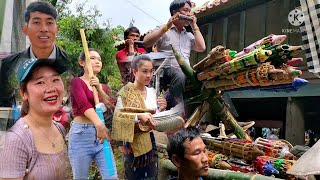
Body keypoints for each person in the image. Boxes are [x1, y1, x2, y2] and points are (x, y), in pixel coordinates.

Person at [0, 1, 69, 128]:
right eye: (36, 23)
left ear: (57, 29)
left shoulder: (70, 64)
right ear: (25, 29)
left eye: (49, 23)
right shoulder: (7, 65)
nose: (44, 29)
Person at [0, 58, 68, 179]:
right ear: (23, 93)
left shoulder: (60, 129)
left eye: (55, 79)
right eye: (40, 82)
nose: (51, 88)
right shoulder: (16, 140)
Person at [112, 54, 167, 180]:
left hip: (149, 140)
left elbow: (154, 116)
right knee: (134, 176)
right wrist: (138, 116)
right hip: (132, 143)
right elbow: (117, 118)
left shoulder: (152, 92)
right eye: (144, 71)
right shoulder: (125, 93)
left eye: (151, 71)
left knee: (152, 175)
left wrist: (162, 109)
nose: (148, 75)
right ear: (134, 71)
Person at [143, 0, 206, 108]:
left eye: (190, 11)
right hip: (165, 69)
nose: (189, 14)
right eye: (185, 10)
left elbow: (201, 47)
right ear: (175, 13)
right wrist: (167, 26)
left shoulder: (189, 35)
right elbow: (146, 42)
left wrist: (194, 25)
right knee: (180, 74)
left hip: (186, 71)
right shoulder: (164, 29)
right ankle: (171, 105)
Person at [68, 48, 118, 179]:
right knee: (80, 177)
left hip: (100, 137)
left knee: (111, 176)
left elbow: (112, 105)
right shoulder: (76, 82)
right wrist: (99, 124)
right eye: (92, 58)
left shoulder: (103, 87)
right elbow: (83, 104)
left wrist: (100, 90)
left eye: (99, 59)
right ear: (82, 62)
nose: (97, 61)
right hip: (81, 135)